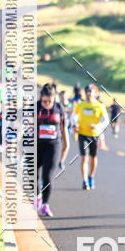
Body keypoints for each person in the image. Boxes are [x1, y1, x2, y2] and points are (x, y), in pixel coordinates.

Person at [36, 83, 69, 217]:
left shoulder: (59, 108)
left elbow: (63, 128)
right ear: (41, 98)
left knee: (47, 176)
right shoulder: (34, 107)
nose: (47, 103)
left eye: (50, 101)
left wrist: (66, 145)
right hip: (36, 144)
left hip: (53, 145)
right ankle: (37, 195)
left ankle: (45, 204)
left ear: (54, 98)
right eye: (44, 101)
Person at [71, 83, 108, 190]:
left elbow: (106, 121)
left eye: (91, 91)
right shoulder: (80, 105)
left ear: (95, 93)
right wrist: (75, 125)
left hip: (94, 136)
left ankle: (91, 176)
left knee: (93, 158)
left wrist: (97, 126)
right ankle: (85, 181)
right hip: (82, 134)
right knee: (84, 158)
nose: (88, 93)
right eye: (87, 91)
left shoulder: (99, 106)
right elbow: (73, 117)